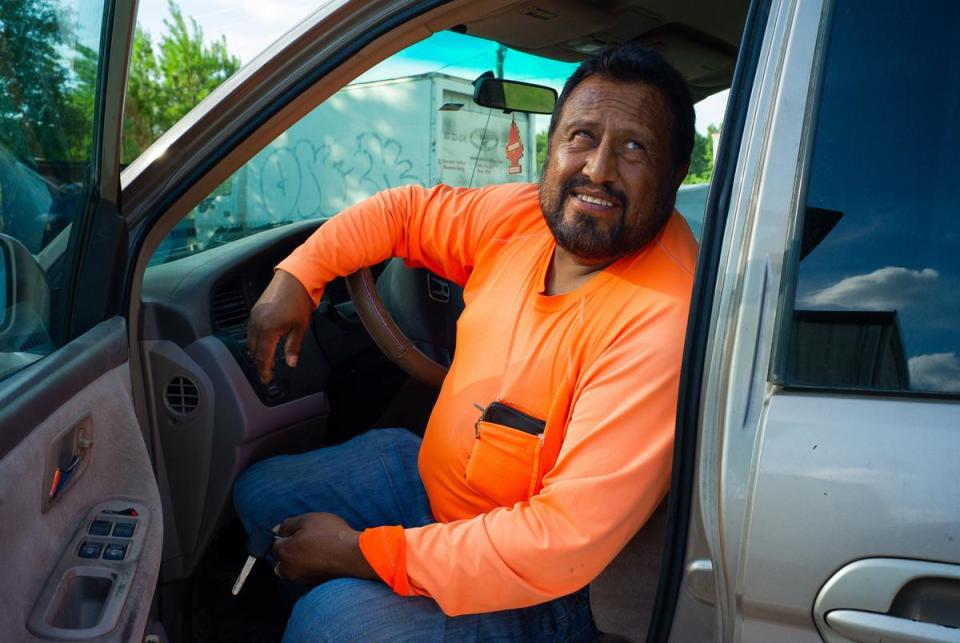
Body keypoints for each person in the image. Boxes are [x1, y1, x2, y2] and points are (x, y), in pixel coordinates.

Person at [234, 42, 698, 642]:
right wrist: (297, 275)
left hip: (542, 586)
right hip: (430, 486)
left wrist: (360, 555)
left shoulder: (661, 316)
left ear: (675, 174)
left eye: (635, 148)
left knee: (330, 623)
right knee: (263, 493)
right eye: (581, 137)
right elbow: (403, 212)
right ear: (551, 149)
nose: (599, 170)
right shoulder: (525, 217)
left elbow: (559, 544)